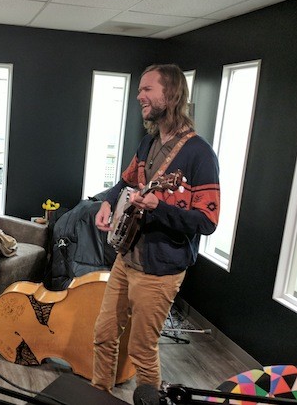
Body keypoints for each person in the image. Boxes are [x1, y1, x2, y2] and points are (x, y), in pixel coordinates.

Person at [91, 64, 220, 394]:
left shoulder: (199, 154)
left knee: (141, 352)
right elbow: (124, 182)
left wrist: (158, 208)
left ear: (171, 94)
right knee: (103, 336)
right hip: (126, 259)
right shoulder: (148, 144)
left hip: (159, 271)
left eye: (147, 89)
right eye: (139, 90)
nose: (140, 96)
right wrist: (106, 202)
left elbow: (207, 221)